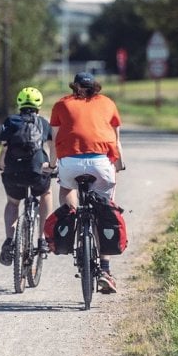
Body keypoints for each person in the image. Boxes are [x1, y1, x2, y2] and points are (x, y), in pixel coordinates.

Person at [48, 72, 125, 294]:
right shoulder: (108, 103)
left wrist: (53, 165)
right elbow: (117, 143)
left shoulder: (62, 104)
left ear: (74, 88)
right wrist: (118, 167)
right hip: (101, 163)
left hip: (70, 163)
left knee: (66, 189)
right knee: (105, 209)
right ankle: (106, 270)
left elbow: (54, 142)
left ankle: (72, 216)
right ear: (96, 88)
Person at [0, 87, 56, 266]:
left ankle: (10, 239)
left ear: (19, 104)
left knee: (13, 202)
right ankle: (42, 239)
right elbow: (53, 147)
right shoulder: (43, 123)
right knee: (46, 193)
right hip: (36, 171)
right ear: (39, 105)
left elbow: (5, 148)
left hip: (13, 172)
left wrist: (1, 165)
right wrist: (52, 166)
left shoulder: (10, 121)